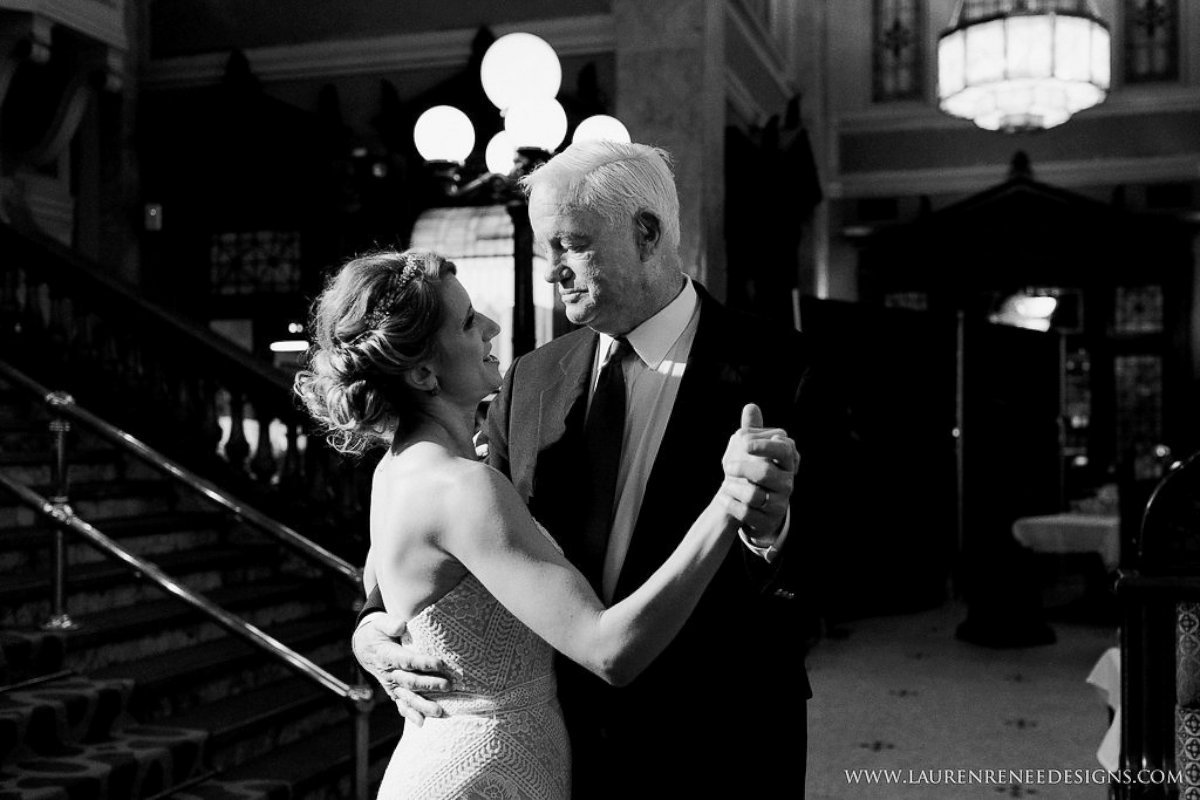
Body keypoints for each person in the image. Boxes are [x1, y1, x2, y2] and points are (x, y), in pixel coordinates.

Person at [355, 141, 838, 798]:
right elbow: (458, 554)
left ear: (647, 234)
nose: (552, 272)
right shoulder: (529, 378)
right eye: (543, 250)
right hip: (562, 751)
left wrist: (770, 530)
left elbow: (853, 559)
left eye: (569, 245)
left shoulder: (786, 369)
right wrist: (371, 628)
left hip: (722, 747)